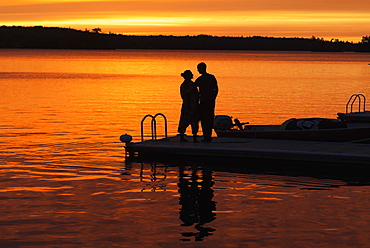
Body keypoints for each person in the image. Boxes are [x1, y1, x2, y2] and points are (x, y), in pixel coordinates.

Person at [195, 62, 218, 142]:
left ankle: (206, 137)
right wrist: (214, 97)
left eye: (198, 69)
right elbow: (216, 89)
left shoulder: (200, 79)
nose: (197, 70)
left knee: (204, 119)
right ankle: (208, 136)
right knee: (210, 118)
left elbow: (194, 88)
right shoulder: (212, 77)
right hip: (211, 101)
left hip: (204, 101)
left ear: (202, 68)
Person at [177, 70, 200, 142]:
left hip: (193, 105)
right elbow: (183, 94)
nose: (192, 75)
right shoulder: (185, 85)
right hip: (188, 106)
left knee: (194, 122)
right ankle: (182, 136)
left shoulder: (192, 84)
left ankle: (194, 137)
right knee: (185, 121)